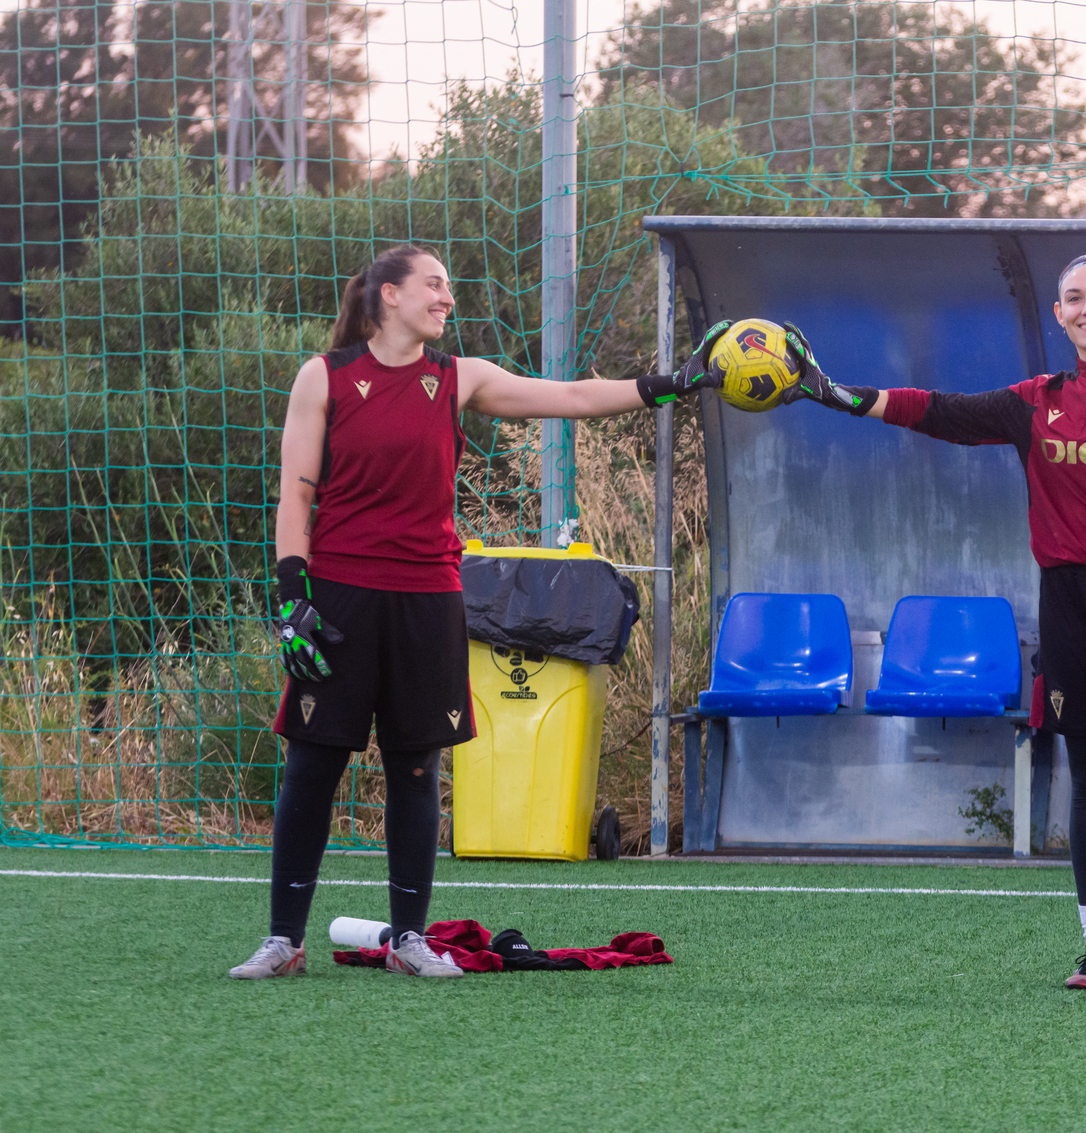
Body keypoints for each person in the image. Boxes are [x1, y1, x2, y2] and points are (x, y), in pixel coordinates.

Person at [230, 244, 725, 979]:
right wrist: (291, 598)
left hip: (429, 596)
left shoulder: (460, 378)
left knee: (416, 769)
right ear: (388, 295)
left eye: (448, 287)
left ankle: (408, 940)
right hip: (339, 595)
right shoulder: (324, 376)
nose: (447, 298)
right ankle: (283, 941)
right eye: (433, 285)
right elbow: (295, 495)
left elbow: (571, 398)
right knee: (311, 765)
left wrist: (670, 384)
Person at [777, 254, 1086, 996]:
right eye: (1075, 299)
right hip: (1066, 606)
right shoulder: (1037, 399)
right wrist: (839, 395)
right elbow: (941, 411)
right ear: (1058, 315)